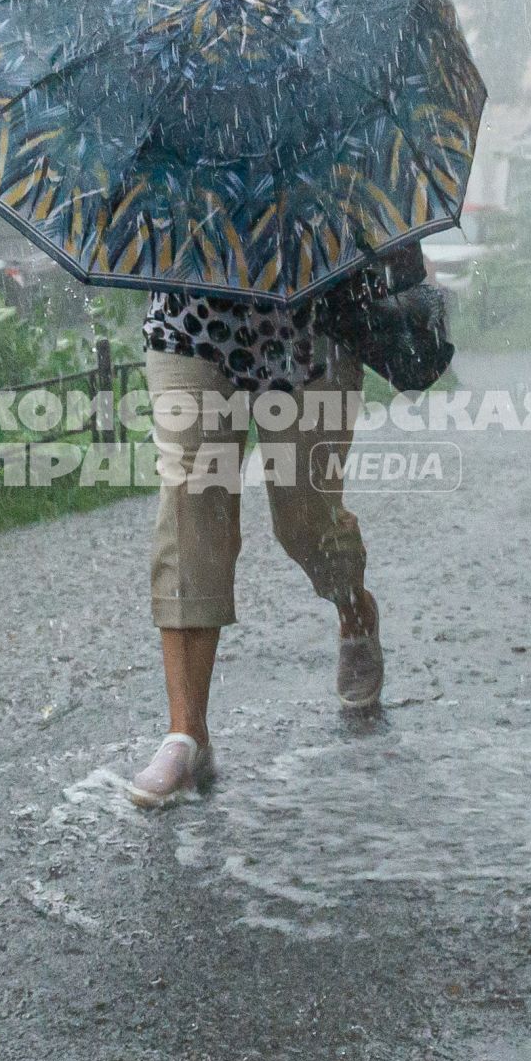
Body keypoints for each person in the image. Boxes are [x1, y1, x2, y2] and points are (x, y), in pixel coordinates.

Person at [126, 281, 384, 810]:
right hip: (189, 314)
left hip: (311, 319)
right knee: (191, 496)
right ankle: (186, 733)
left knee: (306, 518)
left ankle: (353, 608)